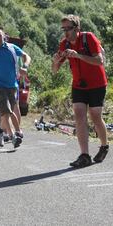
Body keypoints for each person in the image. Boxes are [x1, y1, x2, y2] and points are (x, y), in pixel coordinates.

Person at [52, 14, 109, 168]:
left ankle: (104, 145)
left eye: (68, 28)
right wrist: (56, 61)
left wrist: (78, 55)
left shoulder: (88, 38)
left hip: (97, 84)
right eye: (63, 29)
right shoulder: (64, 44)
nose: (65, 32)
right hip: (78, 85)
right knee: (79, 115)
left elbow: (99, 60)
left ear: (77, 28)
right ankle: (84, 155)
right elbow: (55, 70)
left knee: (95, 116)